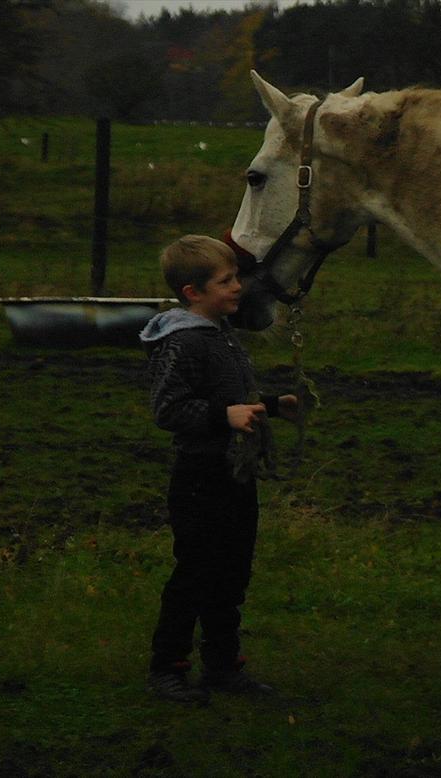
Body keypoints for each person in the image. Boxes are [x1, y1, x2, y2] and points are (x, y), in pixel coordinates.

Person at [139, 234, 299, 704]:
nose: (238, 288)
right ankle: (167, 668)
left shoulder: (221, 334)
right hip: (200, 478)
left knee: (232, 574)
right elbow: (168, 410)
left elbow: (229, 400)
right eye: (226, 281)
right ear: (194, 293)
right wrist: (223, 416)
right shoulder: (182, 343)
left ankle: (223, 667)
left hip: (235, 476)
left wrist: (270, 404)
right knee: (195, 573)